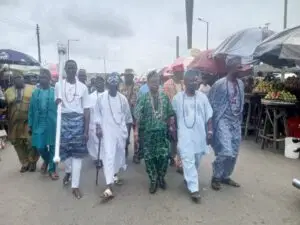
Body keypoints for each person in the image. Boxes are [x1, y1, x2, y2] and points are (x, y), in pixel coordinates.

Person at [172, 70, 213, 203]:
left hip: (199, 136)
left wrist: (210, 131)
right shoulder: (177, 98)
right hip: (184, 136)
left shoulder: (202, 97)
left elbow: (209, 116)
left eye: (197, 81)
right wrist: (173, 132)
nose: (195, 83)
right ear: (185, 82)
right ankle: (194, 189)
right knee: (188, 159)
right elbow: (172, 117)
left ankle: (189, 178)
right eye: (192, 81)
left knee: (196, 160)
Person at [135, 71, 174, 194]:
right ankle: (153, 180)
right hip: (148, 134)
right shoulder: (143, 98)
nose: (155, 84)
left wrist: (170, 128)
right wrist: (137, 132)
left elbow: (169, 114)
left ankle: (161, 178)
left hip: (162, 133)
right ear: (147, 83)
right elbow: (137, 115)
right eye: (152, 82)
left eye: (157, 82)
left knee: (164, 157)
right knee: (149, 159)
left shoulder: (164, 96)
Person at [208, 57, 244, 191]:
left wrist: (240, 120)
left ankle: (225, 176)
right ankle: (216, 177)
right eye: (238, 66)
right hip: (222, 120)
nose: (240, 69)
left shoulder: (241, 84)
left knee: (234, 152)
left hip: (235, 121)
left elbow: (241, 102)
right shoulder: (219, 84)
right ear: (230, 67)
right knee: (225, 150)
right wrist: (210, 126)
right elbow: (210, 103)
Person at [55, 60, 90, 199]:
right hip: (63, 122)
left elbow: (86, 110)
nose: (71, 70)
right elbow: (57, 105)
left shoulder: (83, 87)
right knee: (64, 155)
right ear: (65, 69)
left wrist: (86, 130)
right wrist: (57, 101)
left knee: (77, 155)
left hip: (78, 123)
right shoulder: (58, 85)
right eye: (68, 68)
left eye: (73, 68)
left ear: (76, 70)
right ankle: (68, 170)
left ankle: (75, 185)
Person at [95, 72, 132, 201]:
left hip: (120, 132)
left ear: (118, 85)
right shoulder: (101, 98)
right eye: (110, 84)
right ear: (107, 85)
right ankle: (108, 186)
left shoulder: (123, 99)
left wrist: (126, 136)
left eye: (115, 84)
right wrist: (98, 127)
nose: (113, 87)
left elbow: (128, 118)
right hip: (107, 132)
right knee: (108, 156)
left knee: (119, 155)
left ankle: (114, 175)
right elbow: (97, 114)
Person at [28, 69, 58, 180]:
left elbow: (61, 108)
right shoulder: (35, 93)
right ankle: (47, 160)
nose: (42, 79)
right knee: (40, 147)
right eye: (40, 77)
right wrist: (30, 124)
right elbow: (31, 110)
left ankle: (52, 169)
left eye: (45, 77)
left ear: (49, 79)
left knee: (53, 146)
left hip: (52, 123)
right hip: (39, 123)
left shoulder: (55, 92)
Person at [5, 74, 39, 172]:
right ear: (13, 81)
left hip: (29, 121)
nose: (17, 81)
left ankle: (32, 162)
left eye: (19, 79)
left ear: (23, 80)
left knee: (31, 142)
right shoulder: (8, 91)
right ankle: (25, 163)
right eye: (15, 79)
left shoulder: (33, 89)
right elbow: (6, 106)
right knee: (18, 144)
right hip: (14, 122)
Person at [163, 70, 184, 172]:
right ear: (176, 72)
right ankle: (172, 156)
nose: (183, 73)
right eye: (181, 72)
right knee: (173, 138)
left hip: (183, 115)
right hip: (171, 115)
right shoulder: (167, 84)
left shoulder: (183, 83)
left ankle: (179, 162)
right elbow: (165, 100)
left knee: (181, 138)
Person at [119, 69, 138, 161]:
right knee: (124, 135)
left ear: (133, 77)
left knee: (136, 135)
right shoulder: (120, 87)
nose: (128, 77)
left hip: (135, 114)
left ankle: (136, 155)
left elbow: (140, 100)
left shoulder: (137, 87)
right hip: (124, 115)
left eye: (130, 76)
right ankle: (124, 150)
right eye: (126, 76)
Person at [87, 75, 105, 166]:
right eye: (97, 82)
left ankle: (103, 158)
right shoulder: (91, 97)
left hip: (106, 123)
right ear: (95, 84)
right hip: (94, 123)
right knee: (94, 142)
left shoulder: (108, 95)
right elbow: (89, 111)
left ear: (104, 83)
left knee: (104, 143)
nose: (99, 84)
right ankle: (97, 158)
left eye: (101, 82)